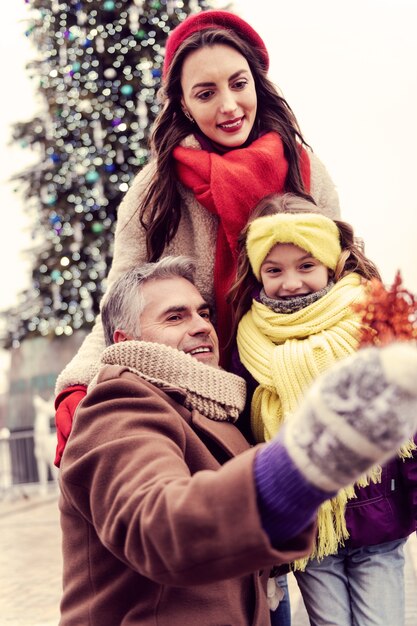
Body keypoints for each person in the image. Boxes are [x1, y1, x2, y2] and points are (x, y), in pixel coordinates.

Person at [58, 256, 417, 626]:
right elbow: (160, 528)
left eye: (204, 313)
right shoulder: (118, 407)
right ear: (125, 339)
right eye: (175, 317)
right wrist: (307, 456)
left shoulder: (214, 404)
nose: (202, 327)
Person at [53, 9, 342, 468]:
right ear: (184, 104)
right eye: (206, 93)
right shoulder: (155, 190)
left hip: (304, 390)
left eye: (238, 83)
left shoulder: (303, 169)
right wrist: (79, 382)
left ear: (256, 84)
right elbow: (120, 300)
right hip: (207, 406)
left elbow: (342, 277)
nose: (228, 106)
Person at [229, 193, 417, 626]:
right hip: (308, 527)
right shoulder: (249, 336)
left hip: (377, 516)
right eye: (274, 270)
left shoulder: (369, 318)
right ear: (257, 272)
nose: (290, 282)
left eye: (306, 266)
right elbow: (247, 432)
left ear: (332, 264)